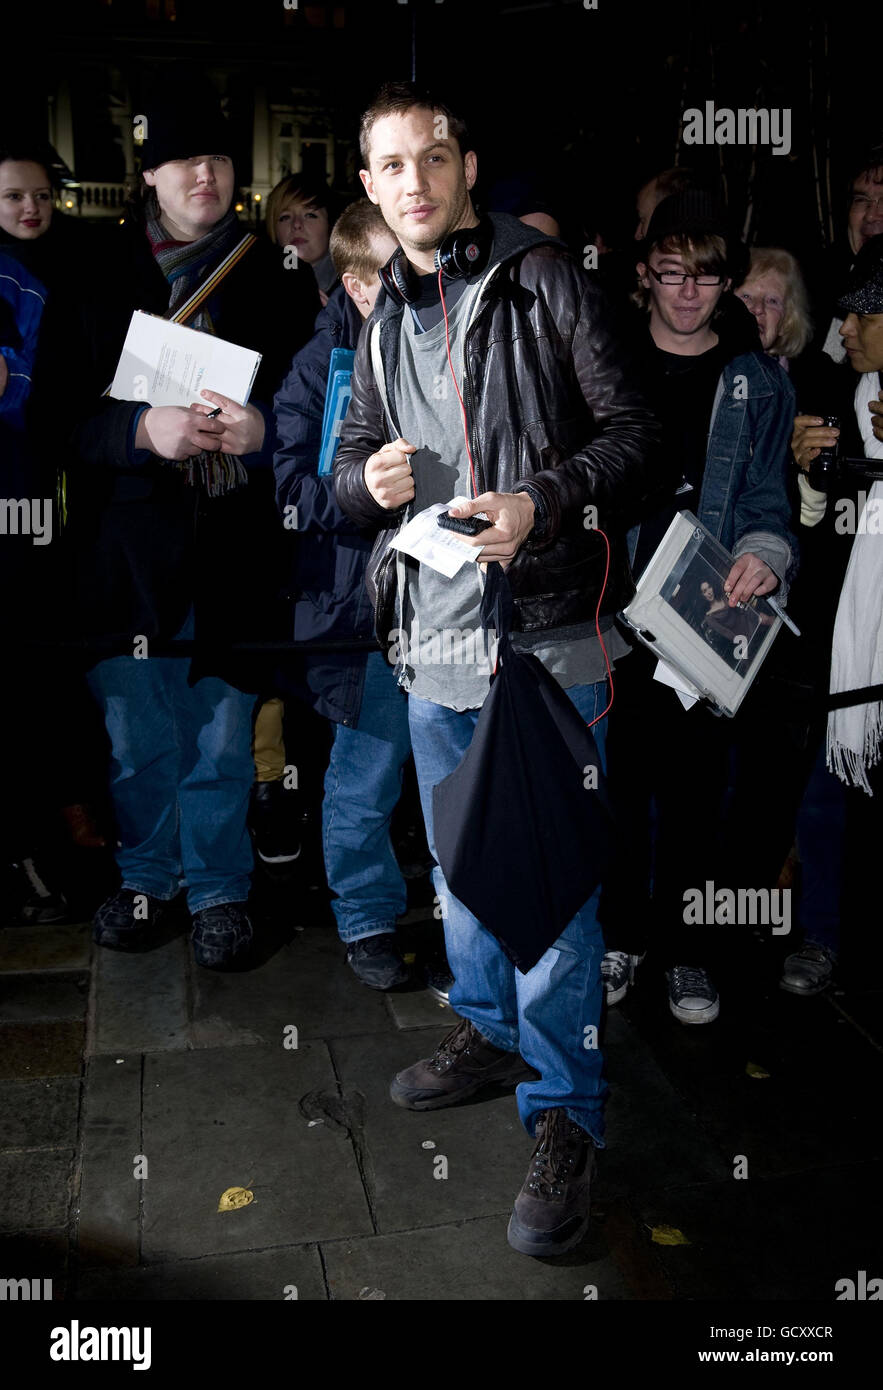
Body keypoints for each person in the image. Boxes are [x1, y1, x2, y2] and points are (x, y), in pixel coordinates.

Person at [333, 81, 657, 1257]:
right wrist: (359, 483)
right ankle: (487, 1028)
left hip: (548, 639)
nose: (413, 181)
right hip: (431, 641)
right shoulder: (376, 316)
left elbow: (633, 437)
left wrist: (541, 498)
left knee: (556, 891)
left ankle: (566, 1112)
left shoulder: (543, 278)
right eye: (389, 165)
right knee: (462, 872)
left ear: (465, 167)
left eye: (432, 157)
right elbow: (353, 463)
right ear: (368, 188)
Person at [65, 93, 319, 969]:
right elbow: (58, 416)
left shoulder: (276, 274)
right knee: (137, 737)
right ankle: (147, 878)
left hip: (236, 550)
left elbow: (314, 407)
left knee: (221, 736)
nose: (203, 176)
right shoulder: (93, 266)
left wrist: (263, 437)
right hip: (124, 554)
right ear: (149, 176)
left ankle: (218, 890)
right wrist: (140, 431)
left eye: (217, 161)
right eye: (182, 163)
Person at [599, 190, 796, 1021]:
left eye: (706, 276)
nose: (687, 292)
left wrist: (764, 554)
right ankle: (616, 940)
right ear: (646, 272)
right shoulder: (604, 360)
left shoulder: (751, 378)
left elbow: (765, 493)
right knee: (608, 787)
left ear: (726, 281)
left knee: (693, 796)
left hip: (703, 620)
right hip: (607, 610)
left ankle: (685, 952)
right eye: (672, 273)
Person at [274, 198, 429, 991]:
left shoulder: (439, 340)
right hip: (358, 609)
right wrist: (362, 491)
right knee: (366, 771)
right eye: (395, 271)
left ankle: (455, 906)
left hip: (442, 600)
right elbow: (291, 492)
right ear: (359, 286)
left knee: (447, 771)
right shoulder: (315, 368)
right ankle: (366, 916)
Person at [781, 235, 883, 993]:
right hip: (846, 648)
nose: (843, 329)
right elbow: (818, 539)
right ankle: (820, 935)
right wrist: (809, 481)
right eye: (842, 313)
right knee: (827, 791)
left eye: (862, 314)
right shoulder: (843, 401)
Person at [266, 174, 339, 306]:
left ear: (330, 225)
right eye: (285, 217)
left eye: (310, 215)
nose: (296, 224)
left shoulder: (356, 290)